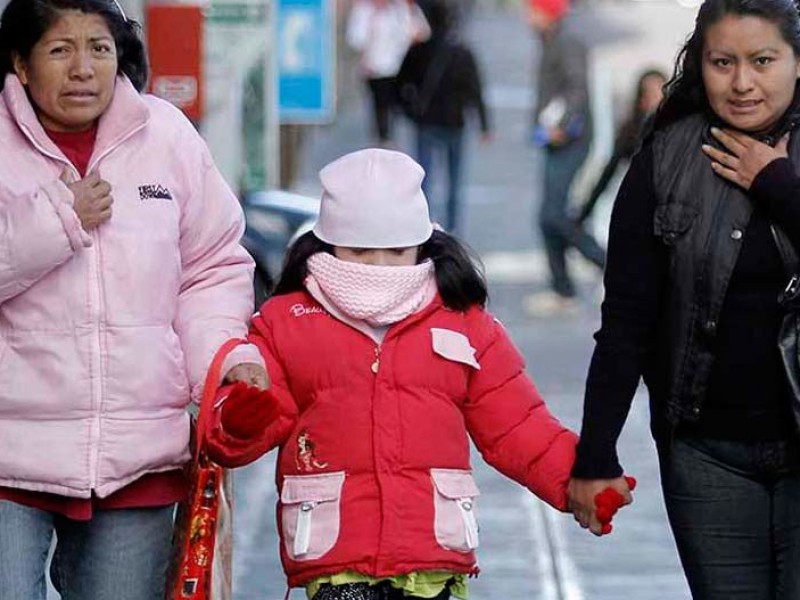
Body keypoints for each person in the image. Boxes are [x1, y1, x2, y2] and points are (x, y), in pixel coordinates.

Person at [204, 148, 581, 600]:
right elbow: (245, 428)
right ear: (328, 244)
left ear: (423, 244)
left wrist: (582, 480)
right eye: (361, 251)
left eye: (397, 250)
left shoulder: (461, 319)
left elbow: (519, 424)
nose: (379, 265)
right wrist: (240, 417)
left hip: (434, 556)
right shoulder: (287, 322)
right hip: (335, 559)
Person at [0, 0, 267, 597]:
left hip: (137, 456)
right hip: (8, 456)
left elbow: (211, 269)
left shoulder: (166, 135)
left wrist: (224, 364)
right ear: (19, 62)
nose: (82, 69)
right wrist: (57, 223)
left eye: (98, 48)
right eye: (59, 49)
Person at [568, 0, 800, 596]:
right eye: (724, 62)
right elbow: (626, 320)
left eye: (763, 60)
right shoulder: (666, 158)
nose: (743, 82)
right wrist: (596, 454)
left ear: (797, 62)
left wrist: (778, 184)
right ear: (701, 64)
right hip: (707, 452)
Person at [524, 0, 606, 317]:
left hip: (569, 140)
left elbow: (576, 90)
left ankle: (608, 266)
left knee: (554, 215)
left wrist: (560, 126)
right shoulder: (550, 38)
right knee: (549, 216)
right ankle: (562, 288)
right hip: (556, 140)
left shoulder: (567, 41)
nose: (526, 16)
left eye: (531, 9)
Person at [396, 0, 491, 235]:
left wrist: (410, 111)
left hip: (426, 122)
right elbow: (475, 90)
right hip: (454, 123)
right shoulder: (463, 53)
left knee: (424, 179)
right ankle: (453, 230)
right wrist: (484, 125)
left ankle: (423, 227)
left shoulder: (418, 51)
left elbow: (398, 85)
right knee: (454, 182)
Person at [574, 68, 667, 225]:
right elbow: (609, 172)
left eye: (659, 92)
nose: (655, 99)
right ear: (641, 100)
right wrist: (586, 210)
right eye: (649, 93)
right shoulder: (632, 132)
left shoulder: (683, 130)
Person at [346, 0, 430, 146]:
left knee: (396, 103)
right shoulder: (363, 10)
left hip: (399, 66)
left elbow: (417, 31)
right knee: (381, 104)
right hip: (374, 68)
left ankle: (391, 135)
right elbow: (355, 39)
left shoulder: (400, 8)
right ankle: (383, 137)